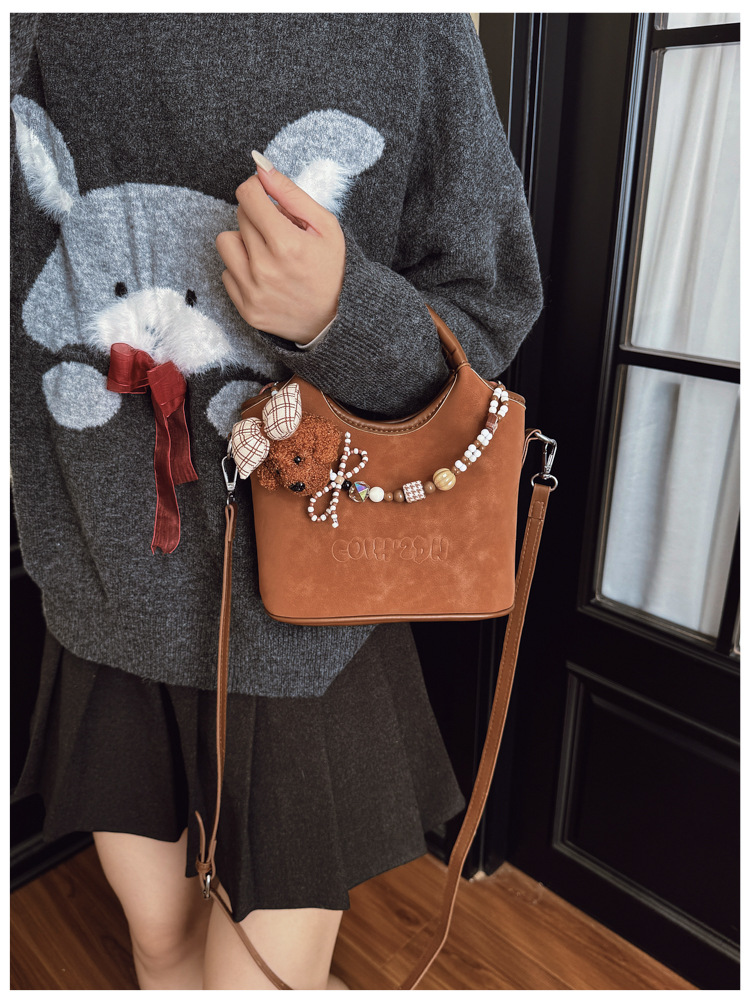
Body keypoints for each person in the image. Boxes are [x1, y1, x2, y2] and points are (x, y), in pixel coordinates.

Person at [10, 12, 543, 990]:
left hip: (305, 615)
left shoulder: (408, 28)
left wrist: (341, 313)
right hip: (100, 589)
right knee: (159, 945)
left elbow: (491, 295)